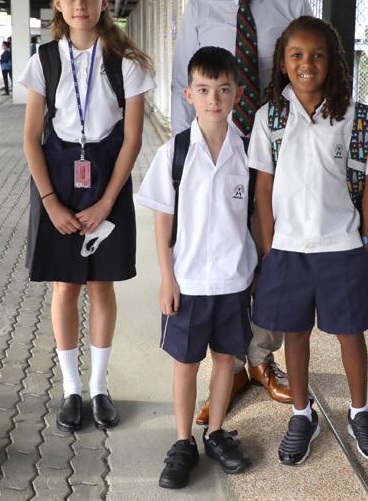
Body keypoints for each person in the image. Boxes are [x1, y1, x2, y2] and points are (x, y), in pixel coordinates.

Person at [172, 0, 312, 422]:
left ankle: (261, 358)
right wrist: (187, 159)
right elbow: (182, 86)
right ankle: (226, 366)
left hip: (277, 153)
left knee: (273, 252)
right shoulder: (199, 9)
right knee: (225, 248)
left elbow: (307, 79)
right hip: (220, 153)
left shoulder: (294, 5)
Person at [19, 0, 155, 434]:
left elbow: (132, 140)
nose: (81, 5)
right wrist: (50, 201)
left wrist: (107, 202)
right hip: (57, 179)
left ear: (104, 2)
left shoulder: (127, 62)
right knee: (65, 286)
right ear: (58, 3)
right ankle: (71, 388)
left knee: (101, 285)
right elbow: (31, 138)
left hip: (107, 179)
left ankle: (99, 387)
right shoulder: (44, 60)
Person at [249, 16, 368, 464]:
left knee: (350, 333)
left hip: (342, 247)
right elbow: (263, 186)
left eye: (317, 55)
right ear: (283, 62)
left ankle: (359, 411)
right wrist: (268, 247)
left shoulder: (356, 117)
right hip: (288, 249)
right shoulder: (270, 117)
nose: (306, 64)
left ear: (332, 62)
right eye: (296, 55)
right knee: (295, 334)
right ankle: (301, 413)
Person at [136, 47, 254, 489]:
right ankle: (183, 441)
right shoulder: (176, 152)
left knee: (226, 360)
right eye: (203, 90)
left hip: (234, 279)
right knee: (186, 364)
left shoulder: (248, 151)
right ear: (189, 94)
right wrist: (167, 278)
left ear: (237, 93)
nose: (214, 99)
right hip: (187, 281)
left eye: (223, 90)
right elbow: (162, 220)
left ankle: (216, 431)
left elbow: (255, 215)